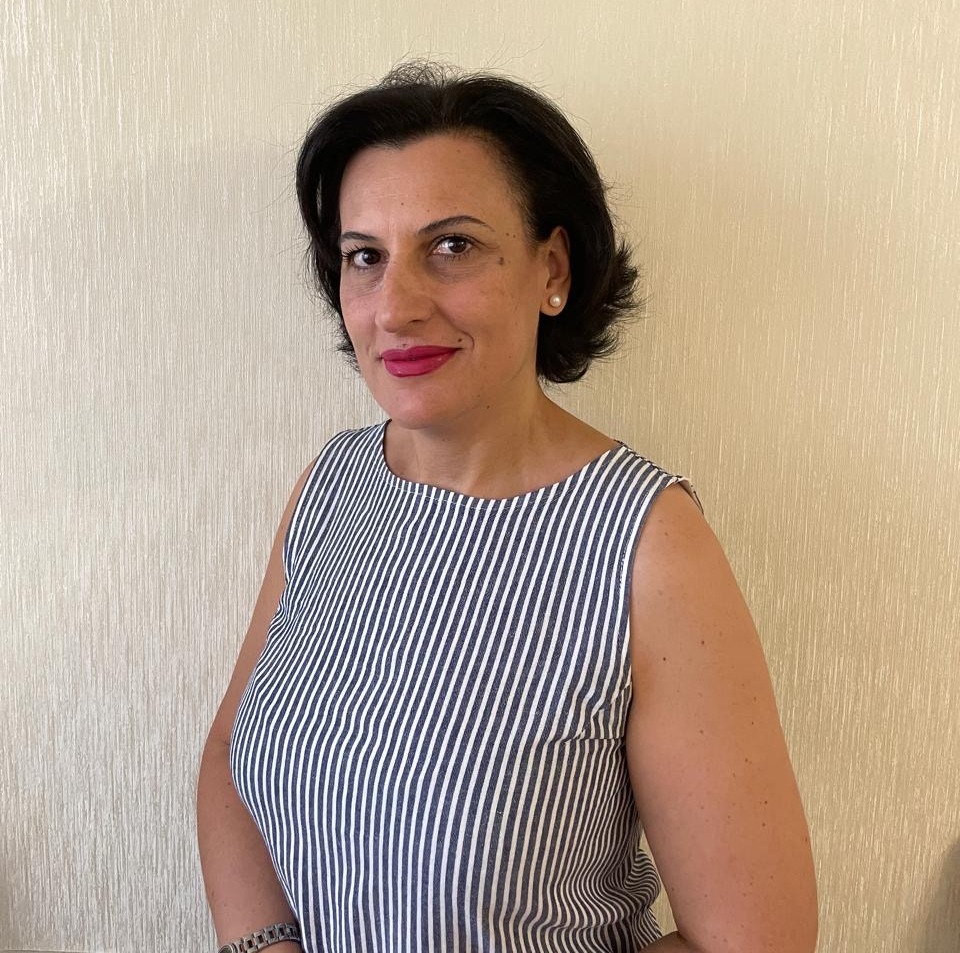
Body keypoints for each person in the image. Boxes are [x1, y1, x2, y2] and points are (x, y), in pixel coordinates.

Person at [197, 62, 817, 953]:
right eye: (365, 256)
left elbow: (758, 939)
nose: (396, 307)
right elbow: (233, 757)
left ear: (551, 268)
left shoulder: (646, 546)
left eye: (452, 246)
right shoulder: (332, 486)